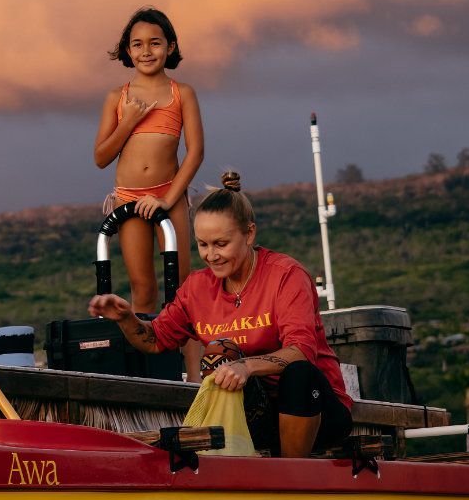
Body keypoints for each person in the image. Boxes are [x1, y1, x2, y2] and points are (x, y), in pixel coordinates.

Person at [87, 171, 352, 458]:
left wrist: (246, 367)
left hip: (316, 410)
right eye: (203, 244)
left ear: (249, 234)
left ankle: (292, 476)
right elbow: (154, 340)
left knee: (299, 374)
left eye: (221, 244)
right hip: (254, 415)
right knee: (219, 352)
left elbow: (302, 351)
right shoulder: (198, 287)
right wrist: (127, 318)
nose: (211, 255)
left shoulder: (286, 275)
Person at [93, 7, 204, 321]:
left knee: (181, 291)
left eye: (155, 43)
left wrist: (168, 200)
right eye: (138, 44)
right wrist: (128, 122)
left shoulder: (182, 93)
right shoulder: (118, 97)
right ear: (128, 50)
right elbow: (101, 158)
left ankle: (192, 372)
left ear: (169, 47)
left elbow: (195, 153)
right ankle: (150, 369)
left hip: (169, 196)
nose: (146, 51)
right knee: (142, 289)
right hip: (129, 199)